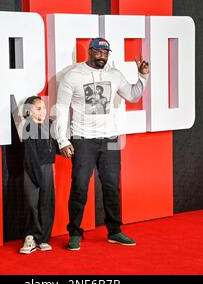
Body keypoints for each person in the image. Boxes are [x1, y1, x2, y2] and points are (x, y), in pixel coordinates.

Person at [54, 37, 150, 251]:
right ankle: (75, 233)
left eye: (106, 53)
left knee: (111, 185)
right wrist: (62, 139)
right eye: (98, 52)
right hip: (82, 138)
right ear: (90, 51)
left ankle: (114, 231)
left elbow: (133, 96)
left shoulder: (114, 74)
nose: (102, 56)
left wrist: (143, 76)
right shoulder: (73, 76)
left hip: (110, 138)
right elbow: (61, 109)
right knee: (79, 186)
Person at [19, 96, 59, 254]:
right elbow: (30, 156)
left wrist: (66, 149)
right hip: (32, 169)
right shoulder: (28, 127)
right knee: (32, 203)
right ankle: (31, 236)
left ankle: (44, 238)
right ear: (29, 111)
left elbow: (54, 146)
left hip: (47, 168)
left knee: (46, 203)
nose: (43, 111)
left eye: (44, 108)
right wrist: (38, 176)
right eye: (38, 108)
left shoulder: (49, 125)